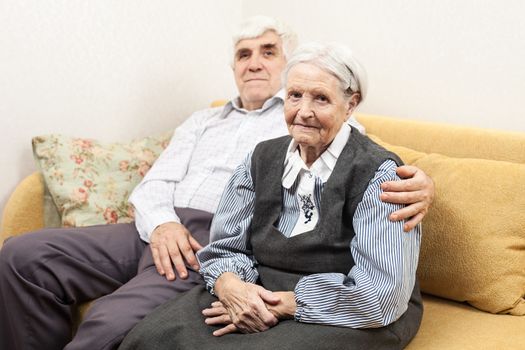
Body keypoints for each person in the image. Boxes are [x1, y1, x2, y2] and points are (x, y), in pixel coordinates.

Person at [0, 16, 432, 350]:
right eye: (244, 54)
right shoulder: (208, 122)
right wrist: (173, 233)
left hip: (208, 240)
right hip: (160, 227)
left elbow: (368, 164)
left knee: (113, 322)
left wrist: (424, 183)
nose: (255, 62)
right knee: (22, 255)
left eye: (268, 51)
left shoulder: (334, 129)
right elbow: (156, 183)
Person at [119, 41, 423, 350]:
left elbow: (382, 294)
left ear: (351, 105)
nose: (304, 112)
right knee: (151, 336)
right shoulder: (260, 159)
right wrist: (231, 286)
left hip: (351, 306)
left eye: (320, 99)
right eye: (294, 96)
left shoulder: (378, 173)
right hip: (257, 286)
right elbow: (224, 248)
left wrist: (283, 304)